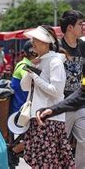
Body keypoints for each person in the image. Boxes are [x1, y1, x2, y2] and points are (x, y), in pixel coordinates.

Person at [20, 25, 74, 167]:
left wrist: (35, 77)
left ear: (45, 42)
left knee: (48, 163)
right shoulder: (39, 61)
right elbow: (24, 87)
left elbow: (56, 91)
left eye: (35, 40)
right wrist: (30, 69)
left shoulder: (55, 62)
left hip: (50, 119)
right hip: (38, 118)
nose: (32, 43)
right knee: (40, 162)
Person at [37, 10, 85, 167]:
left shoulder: (83, 46)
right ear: (70, 27)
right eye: (80, 24)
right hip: (60, 105)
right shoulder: (56, 48)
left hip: (79, 102)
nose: (83, 26)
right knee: (57, 144)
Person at [10, 40, 38, 114]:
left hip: (24, 108)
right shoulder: (24, 65)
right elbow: (29, 81)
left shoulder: (26, 64)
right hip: (21, 111)